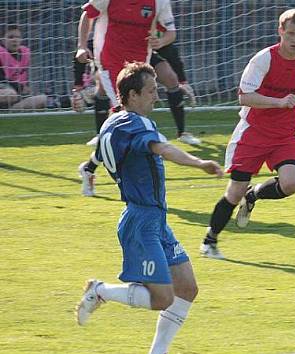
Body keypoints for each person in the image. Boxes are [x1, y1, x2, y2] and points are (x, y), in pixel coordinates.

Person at [74, 62, 223, 354]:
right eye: (151, 91)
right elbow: (163, 149)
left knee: (187, 289)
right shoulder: (136, 124)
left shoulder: (112, 123)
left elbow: (102, 156)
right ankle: (100, 290)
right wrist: (199, 163)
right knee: (161, 298)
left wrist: (89, 168)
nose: (156, 96)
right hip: (141, 221)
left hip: (154, 220)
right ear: (132, 95)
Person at [199, 8, 295, 259]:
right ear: (280, 32)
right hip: (252, 134)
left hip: (284, 135)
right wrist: (278, 102)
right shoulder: (263, 59)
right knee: (233, 192)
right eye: (290, 34)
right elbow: (244, 97)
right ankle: (210, 240)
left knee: (291, 183)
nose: (294, 39)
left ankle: (253, 194)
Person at [75, 0, 198, 197]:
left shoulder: (159, 2)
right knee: (127, 118)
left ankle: (90, 168)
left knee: (121, 122)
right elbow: (87, 15)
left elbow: (170, 32)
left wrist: (161, 41)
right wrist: (81, 46)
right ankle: (141, 168)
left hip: (140, 65)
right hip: (109, 61)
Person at [72, 39, 201, 145]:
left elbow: (168, 47)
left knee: (171, 78)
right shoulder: (109, 26)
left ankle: (182, 133)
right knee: (102, 85)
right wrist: (78, 87)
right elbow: (83, 51)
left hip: (141, 52)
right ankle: (101, 135)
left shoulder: (149, 21)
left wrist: (182, 81)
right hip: (116, 55)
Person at [0, 25, 48, 110]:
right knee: (10, 94)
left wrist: (26, 89)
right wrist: (20, 87)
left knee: (43, 99)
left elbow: (24, 77)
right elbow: (2, 79)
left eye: (18, 37)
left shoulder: (25, 54)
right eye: (10, 37)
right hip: (5, 91)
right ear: (2, 39)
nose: (15, 40)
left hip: (18, 95)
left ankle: (11, 110)